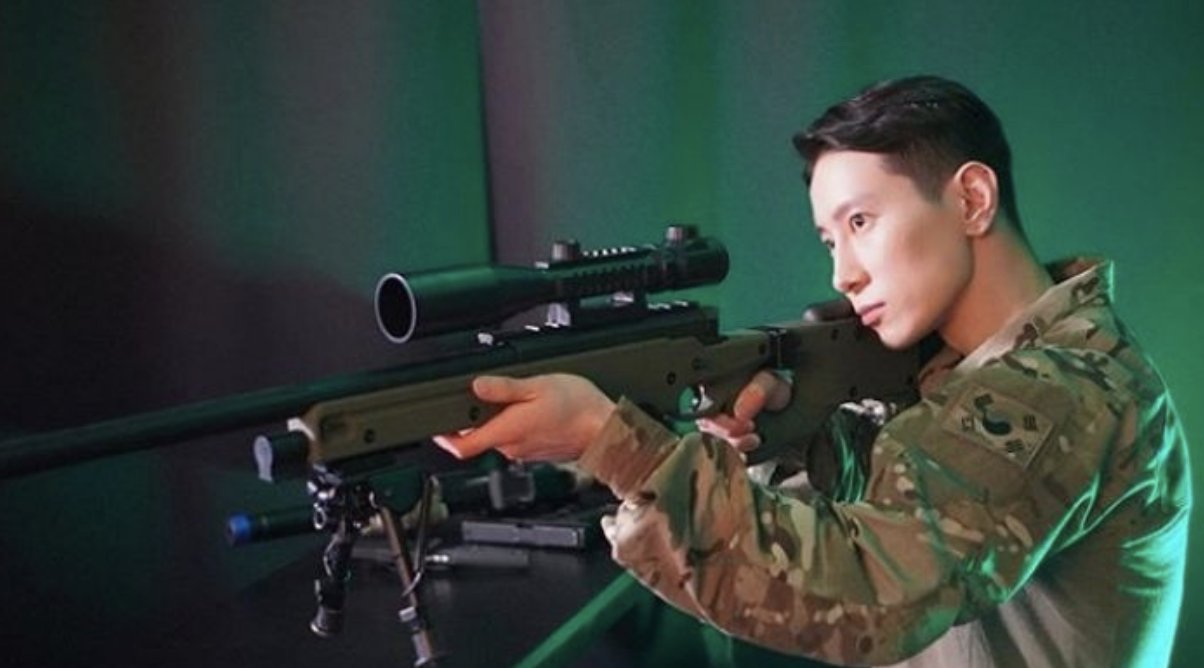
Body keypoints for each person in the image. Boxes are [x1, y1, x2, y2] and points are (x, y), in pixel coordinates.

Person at [434, 76, 1191, 667]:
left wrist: (614, 444)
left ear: (971, 198)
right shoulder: (957, 377)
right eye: (830, 239)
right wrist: (800, 438)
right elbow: (900, 505)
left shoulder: (1063, 389)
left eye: (862, 222)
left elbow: (872, 593)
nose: (843, 275)